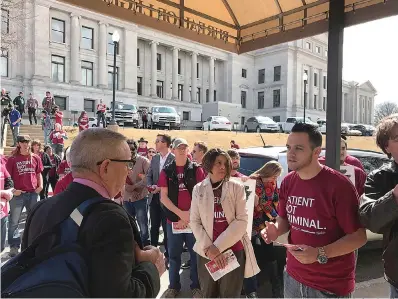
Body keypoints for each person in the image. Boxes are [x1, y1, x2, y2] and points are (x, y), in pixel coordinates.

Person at [21, 128, 164, 297]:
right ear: (106, 167)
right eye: (127, 164)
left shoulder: (40, 208)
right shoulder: (112, 218)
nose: (128, 171)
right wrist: (152, 268)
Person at [261, 123, 367, 298]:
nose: (291, 153)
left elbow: (358, 237)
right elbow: (284, 220)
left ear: (317, 152)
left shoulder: (339, 186)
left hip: (328, 287)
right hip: (293, 278)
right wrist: (275, 229)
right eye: (288, 147)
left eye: (299, 148)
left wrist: (319, 253)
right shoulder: (288, 182)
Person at [190, 148, 260, 298]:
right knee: (208, 294)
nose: (223, 167)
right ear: (208, 165)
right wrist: (211, 248)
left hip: (233, 251)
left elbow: (242, 220)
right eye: (218, 163)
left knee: (229, 295)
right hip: (206, 252)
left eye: (225, 163)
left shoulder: (237, 187)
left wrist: (217, 247)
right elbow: (194, 221)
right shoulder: (198, 189)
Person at [158, 138, 206, 298]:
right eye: (179, 147)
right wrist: (181, 214)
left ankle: (196, 287)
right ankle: (173, 286)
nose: (181, 150)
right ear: (172, 150)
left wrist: (190, 215)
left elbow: (202, 195)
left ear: (187, 150)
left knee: (195, 256)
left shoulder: (196, 170)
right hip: (174, 221)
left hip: (193, 221)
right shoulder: (166, 171)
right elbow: (163, 197)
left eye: (184, 147)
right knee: (173, 256)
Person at [359, 114, 398, 298]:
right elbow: (370, 219)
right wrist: (394, 196)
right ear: (386, 146)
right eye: (397, 138)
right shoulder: (379, 177)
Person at [244, 161, 284, 298]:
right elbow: (260, 203)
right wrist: (276, 216)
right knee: (252, 253)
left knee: (269, 252)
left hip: (266, 222)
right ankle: (253, 286)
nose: (275, 179)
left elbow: (276, 199)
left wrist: (276, 216)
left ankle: (275, 285)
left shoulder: (272, 183)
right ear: (269, 172)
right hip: (252, 222)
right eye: (275, 176)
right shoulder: (254, 181)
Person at [6, 135, 43, 257]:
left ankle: (30, 244)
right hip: (18, 195)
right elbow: (7, 178)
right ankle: (14, 246)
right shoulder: (12, 159)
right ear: (18, 144)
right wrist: (13, 190)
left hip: (32, 193)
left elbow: (38, 174)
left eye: (27, 142)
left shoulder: (36, 158)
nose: (26, 144)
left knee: (33, 220)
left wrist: (40, 186)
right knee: (14, 222)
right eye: (23, 142)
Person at [146, 134, 174, 268]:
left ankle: (168, 256)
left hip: (167, 199)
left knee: (167, 229)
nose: (155, 143)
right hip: (154, 198)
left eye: (158, 141)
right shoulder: (155, 158)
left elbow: (173, 181)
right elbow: (149, 175)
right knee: (154, 227)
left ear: (165, 143)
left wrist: (160, 188)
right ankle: (153, 255)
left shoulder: (173, 159)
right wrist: (151, 185)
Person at [123, 139, 151, 246]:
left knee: (143, 226)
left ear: (136, 149)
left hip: (140, 198)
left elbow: (148, 178)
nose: (131, 151)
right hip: (126, 198)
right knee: (129, 225)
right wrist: (127, 188)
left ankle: (146, 248)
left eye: (133, 149)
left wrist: (135, 187)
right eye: (128, 149)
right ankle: (133, 248)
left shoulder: (144, 161)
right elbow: (117, 177)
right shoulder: (121, 161)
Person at [1, 159, 14, 253]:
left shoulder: (2, 167)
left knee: (1, 245)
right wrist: (2, 193)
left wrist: (8, 193)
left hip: (2, 211)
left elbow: (10, 183)